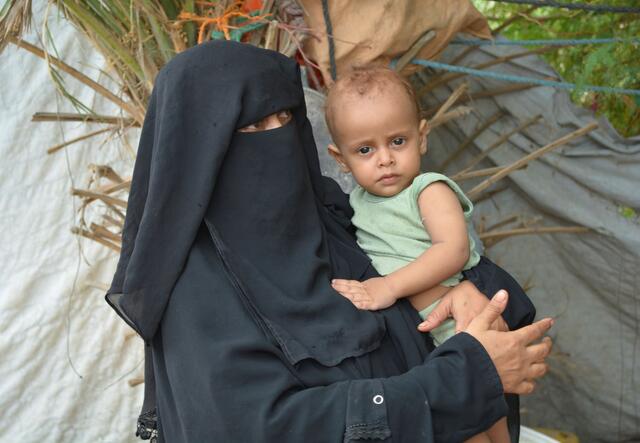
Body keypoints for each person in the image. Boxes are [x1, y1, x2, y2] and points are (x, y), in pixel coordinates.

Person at [105, 40, 553, 442]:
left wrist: (458, 291)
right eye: (252, 128)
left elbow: (427, 277)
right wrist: (463, 378)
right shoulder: (196, 291)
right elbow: (264, 428)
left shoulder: (334, 219)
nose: (277, 138)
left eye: (286, 119)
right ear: (203, 153)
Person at [326, 66, 516, 443]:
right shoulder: (354, 204)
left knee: (490, 420)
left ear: (422, 137)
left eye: (398, 141)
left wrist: (389, 287)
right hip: (424, 340)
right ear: (341, 159)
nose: (385, 159)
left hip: (464, 324)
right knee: (464, 430)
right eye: (365, 149)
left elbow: (454, 250)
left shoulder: (427, 190)